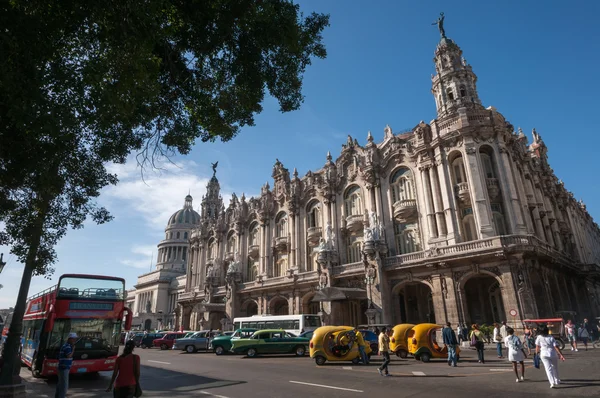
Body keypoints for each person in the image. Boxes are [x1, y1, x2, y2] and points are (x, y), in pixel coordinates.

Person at [55, 332, 77, 398]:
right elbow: (69, 356)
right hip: (64, 368)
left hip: (62, 367)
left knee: (60, 384)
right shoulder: (67, 346)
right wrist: (73, 349)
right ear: (70, 339)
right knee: (64, 385)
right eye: (74, 339)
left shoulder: (66, 345)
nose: (74, 341)